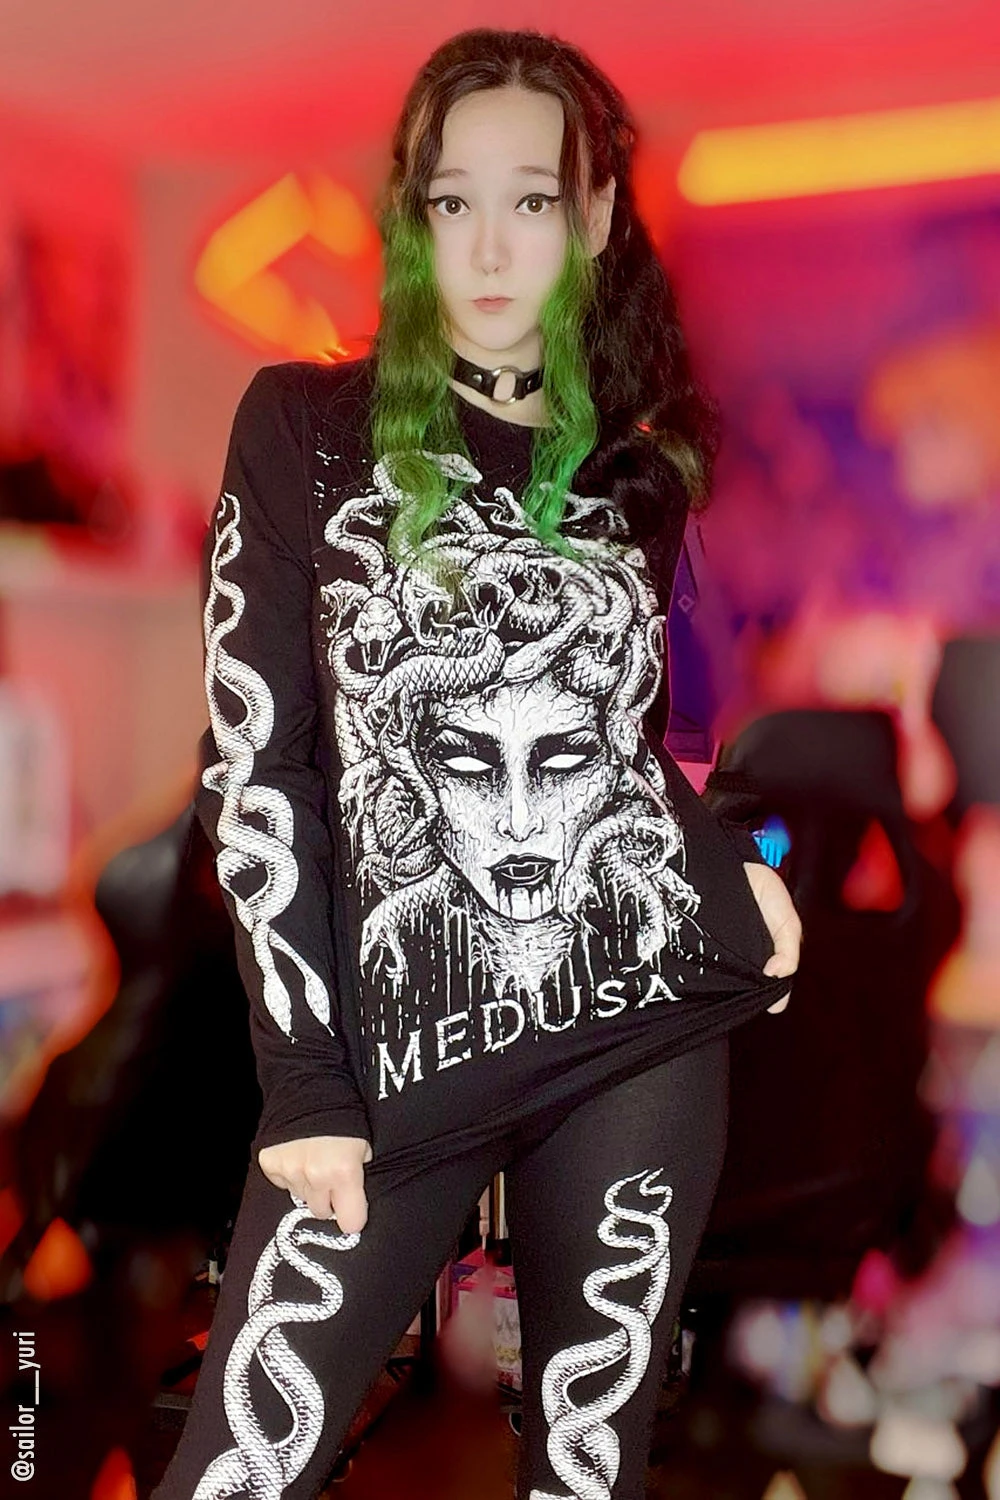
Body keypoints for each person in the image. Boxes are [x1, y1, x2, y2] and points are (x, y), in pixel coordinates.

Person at [152, 26, 801, 1500]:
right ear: (411, 216)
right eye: (454, 201)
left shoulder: (637, 475)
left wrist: (741, 874)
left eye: (534, 201)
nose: (491, 248)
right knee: (238, 1472)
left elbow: (636, 748)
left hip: (638, 1025)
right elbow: (260, 764)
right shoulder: (302, 429)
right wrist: (306, 1081)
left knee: (587, 1472)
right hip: (389, 1068)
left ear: (598, 218)